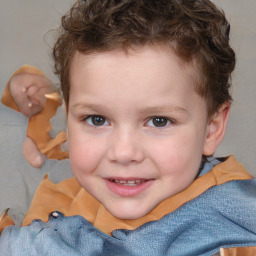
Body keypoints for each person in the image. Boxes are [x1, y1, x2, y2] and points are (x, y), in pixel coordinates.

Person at [0, 0, 256, 255]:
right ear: (68, 118)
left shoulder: (235, 220)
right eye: (97, 119)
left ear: (211, 128)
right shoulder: (64, 196)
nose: (123, 152)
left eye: (159, 121)